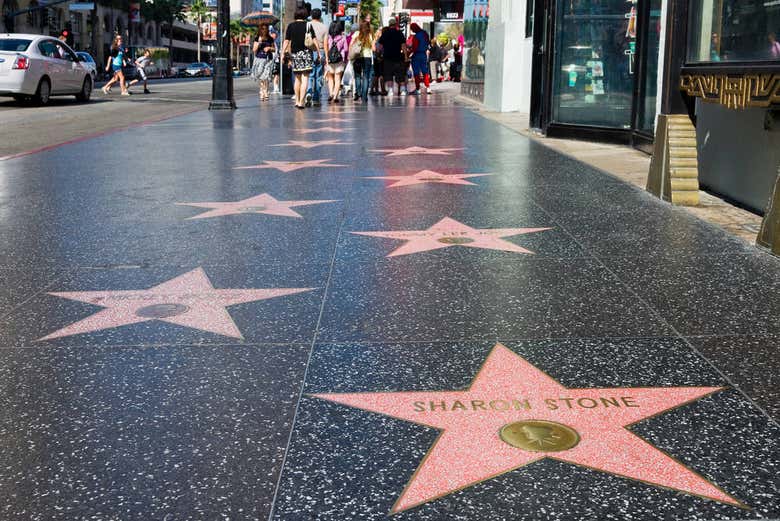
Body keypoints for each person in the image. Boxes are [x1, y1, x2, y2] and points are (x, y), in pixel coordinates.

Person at [283, 7, 319, 109]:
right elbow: (314, 39)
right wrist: (318, 53)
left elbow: (286, 41)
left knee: (297, 79)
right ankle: (301, 102)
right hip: (307, 54)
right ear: (305, 15)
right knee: (305, 78)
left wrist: (282, 53)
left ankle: (297, 100)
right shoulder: (308, 25)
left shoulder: (291, 26)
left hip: (295, 55)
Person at [377, 18, 407, 96]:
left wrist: (378, 54)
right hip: (398, 57)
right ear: (395, 24)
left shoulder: (385, 33)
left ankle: (390, 90)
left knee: (389, 74)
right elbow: (403, 46)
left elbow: (380, 46)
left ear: (389, 24)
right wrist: (406, 56)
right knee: (400, 74)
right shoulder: (399, 33)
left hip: (388, 57)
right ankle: (403, 90)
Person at [305, 8, 327, 107]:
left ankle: (309, 92)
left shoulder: (307, 25)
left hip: (309, 50)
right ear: (320, 16)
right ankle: (316, 98)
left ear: (311, 15)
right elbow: (326, 43)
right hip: (320, 51)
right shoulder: (324, 27)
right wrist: (326, 56)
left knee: (309, 74)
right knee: (318, 76)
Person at [324, 20, 348, 103]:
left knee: (330, 78)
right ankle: (335, 96)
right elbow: (346, 49)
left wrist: (326, 58)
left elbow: (326, 48)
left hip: (330, 59)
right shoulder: (343, 37)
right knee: (337, 78)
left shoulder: (328, 37)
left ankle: (331, 93)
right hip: (339, 60)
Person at [251, 24, 275, 101]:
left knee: (267, 76)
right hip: (259, 59)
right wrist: (259, 43)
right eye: (262, 28)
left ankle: (266, 91)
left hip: (268, 59)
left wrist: (269, 48)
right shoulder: (257, 38)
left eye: (265, 28)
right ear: (260, 30)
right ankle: (262, 91)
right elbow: (254, 50)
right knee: (261, 77)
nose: (264, 30)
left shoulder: (270, 39)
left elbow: (274, 49)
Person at [351, 21, 374, 103]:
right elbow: (373, 48)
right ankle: (364, 97)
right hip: (367, 57)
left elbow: (351, 44)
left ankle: (358, 93)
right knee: (366, 77)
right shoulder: (370, 35)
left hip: (357, 57)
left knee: (357, 76)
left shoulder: (356, 34)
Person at [409, 23, 431, 94]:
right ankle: (428, 88)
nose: (412, 30)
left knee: (416, 72)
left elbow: (414, 48)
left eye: (412, 29)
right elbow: (428, 43)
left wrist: (409, 53)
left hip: (417, 55)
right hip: (423, 54)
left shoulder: (416, 36)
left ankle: (418, 89)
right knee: (425, 71)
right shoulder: (425, 34)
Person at [370, 27, 385, 96]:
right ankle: (382, 90)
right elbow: (376, 50)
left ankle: (374, 89)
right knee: (381, 75)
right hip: (380, 58)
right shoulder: (381, 40)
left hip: (375, 58)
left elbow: (373, 49)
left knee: (376, 75)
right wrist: (379, 56)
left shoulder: (374, 40)